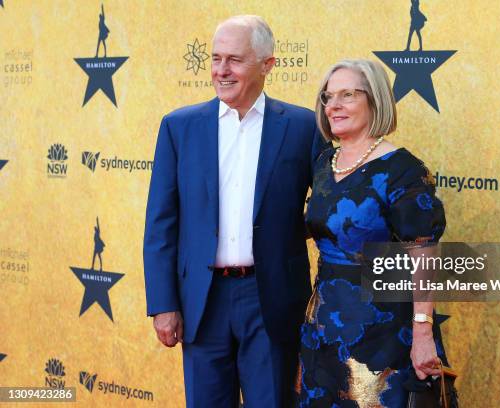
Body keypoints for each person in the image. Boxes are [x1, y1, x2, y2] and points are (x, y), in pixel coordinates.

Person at [143, 15, 326, 408]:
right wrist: (163, 304)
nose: (221, 71)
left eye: (235, 60)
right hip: (201, 304)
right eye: (215, 58)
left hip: (273, 300)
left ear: (268, 65)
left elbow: (330, 205)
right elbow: (161, 223)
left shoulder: (302, 127)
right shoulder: (179, 127)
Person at [297, 59, 453, 407]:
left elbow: (424, 254)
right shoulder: (325, 163)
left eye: (347, 95)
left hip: (382, 333)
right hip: (323, 328)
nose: (333, 106)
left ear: (375, 100)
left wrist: (423, 332)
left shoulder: (404, 170)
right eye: (327, 97)